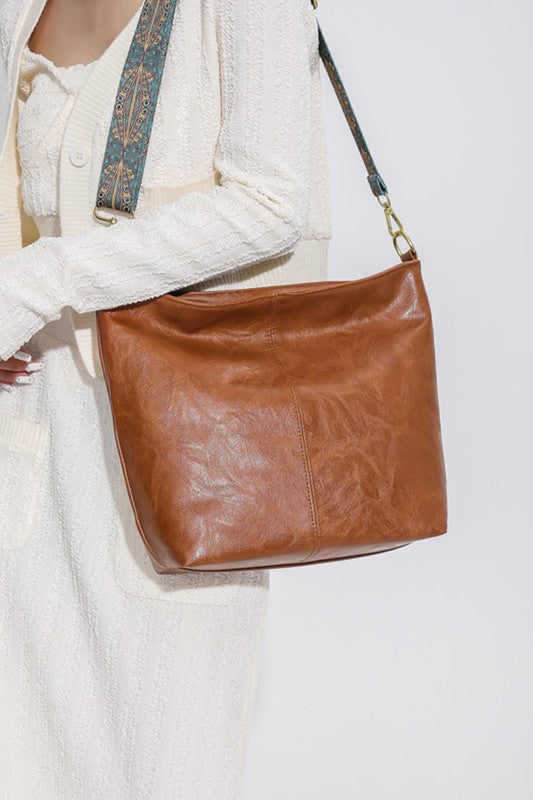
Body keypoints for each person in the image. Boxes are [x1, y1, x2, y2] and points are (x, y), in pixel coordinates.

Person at [0, 0, 332, 796]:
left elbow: (272, 202)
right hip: (28, 445)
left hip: (190, 454)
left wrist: (36, 280)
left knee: (162, 759)